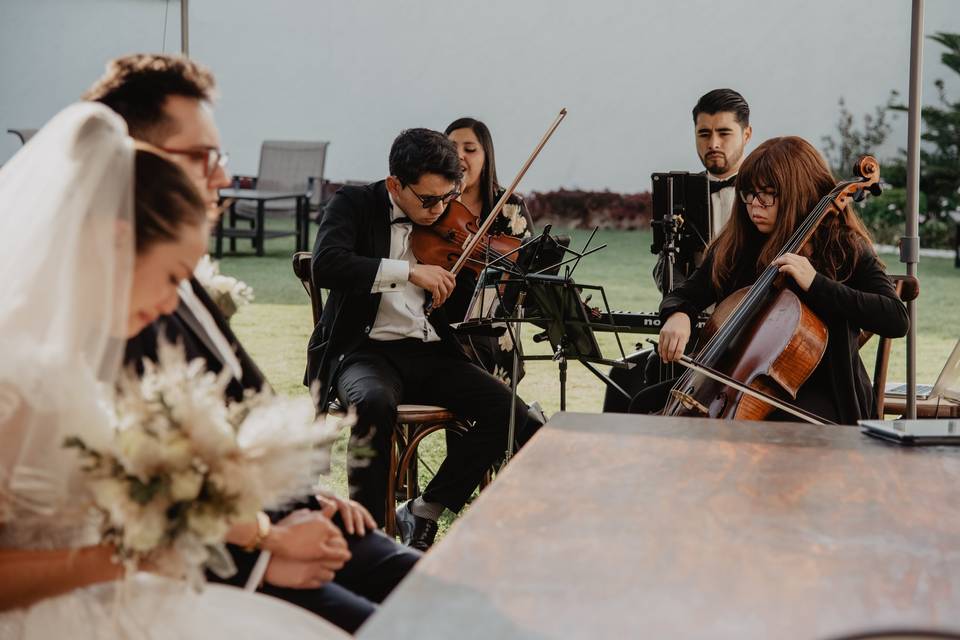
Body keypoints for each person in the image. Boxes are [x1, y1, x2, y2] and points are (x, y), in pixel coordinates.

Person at [85, 53, 419, 633]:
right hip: (207, 559)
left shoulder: (179, 272)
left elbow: (244, 403)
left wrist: (306, 497)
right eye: (204, 157)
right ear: (135, 157)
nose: (223, 176)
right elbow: (120, 494)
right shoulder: (101, 304)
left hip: (281, 514)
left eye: (223, 156)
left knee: (437, 595)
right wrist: (264, 549)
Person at [0, 103, 345, 638]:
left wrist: (260, 534)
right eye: (170, 276)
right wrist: (133, 555)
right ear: (117, 242)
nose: (168, 305)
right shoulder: (15, 371)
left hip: (121, 597)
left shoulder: (80, 358)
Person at [306, 128, 534, 551]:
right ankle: (371, 539)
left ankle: (426, 508)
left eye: (448, 198)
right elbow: (328, 265)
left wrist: (485, 282)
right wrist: (408, 271)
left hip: (430, 351)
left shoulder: (450, 219)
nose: (438, 211)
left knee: (508, 410)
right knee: (373, 403)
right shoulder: (355, 203)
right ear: (396, 184)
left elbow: (463, 308)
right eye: (427, 200)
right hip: (364, 351)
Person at [651, 136, 908, 424]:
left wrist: (817, 283)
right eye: (748, 194)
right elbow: (688, 293)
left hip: (827, 394)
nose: (754, 207)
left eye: (767, 195)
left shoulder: (844, 247)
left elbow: (895, 317)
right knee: (643, 402)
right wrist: (678, 314)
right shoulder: (739, 244)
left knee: (770, 433)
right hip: (740, 382)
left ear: (798, 193)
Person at [605, 89, 753, 413]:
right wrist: (678, 306)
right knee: (621, 381)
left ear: (746, 134)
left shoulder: (760, 195)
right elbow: (663, 263)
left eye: (724, 133)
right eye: (704, 134)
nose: (713, 143)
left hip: (742, 338)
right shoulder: (679, 191)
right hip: (691, 330)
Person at [443, 118, 535, 386]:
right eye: (451, 148)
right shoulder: (433, 200)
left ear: (486, 157)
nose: (459, 155)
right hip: (438, 319)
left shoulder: (509, 207)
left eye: (470, 149)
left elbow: (525, 271)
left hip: (491, 329)